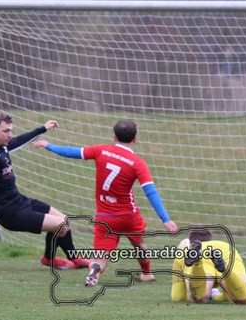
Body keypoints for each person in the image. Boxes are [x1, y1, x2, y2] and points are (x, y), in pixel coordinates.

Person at [33, 119, 178, 286]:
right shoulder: (138, 163)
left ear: (114, 137)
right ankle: (146, 273)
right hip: (128, 216)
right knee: (139, 244)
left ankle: (95, 270)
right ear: (135, 139)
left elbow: (72, 152)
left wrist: (49, 145)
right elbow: (151, 192)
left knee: (101, 256)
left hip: (105, 216)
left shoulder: (101, 150)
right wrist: (165, 219)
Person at [0, 112, 91, 270]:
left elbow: (19, 140)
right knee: (60, 225)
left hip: (19, 201)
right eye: (6, 131)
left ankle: (51, 258)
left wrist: (43, 128)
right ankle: (71, 259)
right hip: (8, 212)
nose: (10, 134)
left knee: (64, 221)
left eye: (11, 130)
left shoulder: (3, 145)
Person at [171, 228, 246, 305]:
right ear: (209, 239)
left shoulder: (183, 252)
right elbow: (228, 297)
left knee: (199, 298)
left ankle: (197, 262)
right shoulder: (225, 245)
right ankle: (225, 270)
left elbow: (178, 297)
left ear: (190, 243)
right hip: (226, 251)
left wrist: (189, 294)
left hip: (201, 258)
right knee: (244, 298)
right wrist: (214, 296)